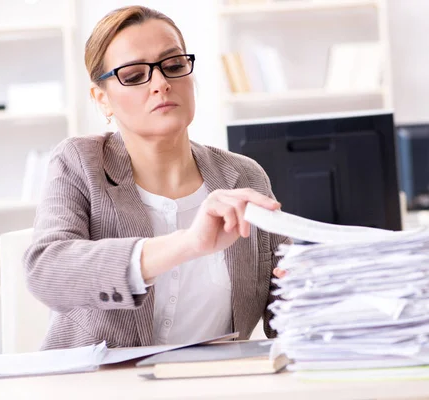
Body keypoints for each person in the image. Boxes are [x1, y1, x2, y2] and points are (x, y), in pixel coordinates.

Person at [24, 5, 290, 350]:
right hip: (99, 386)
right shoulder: (80, 162)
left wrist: (323, 287)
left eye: (174, 65)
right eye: (134, 75)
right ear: (102, 99)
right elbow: (47, 271)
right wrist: (189, 244)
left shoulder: (244, 176)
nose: (161, 83)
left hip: (215, 383)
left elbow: (285, 309)